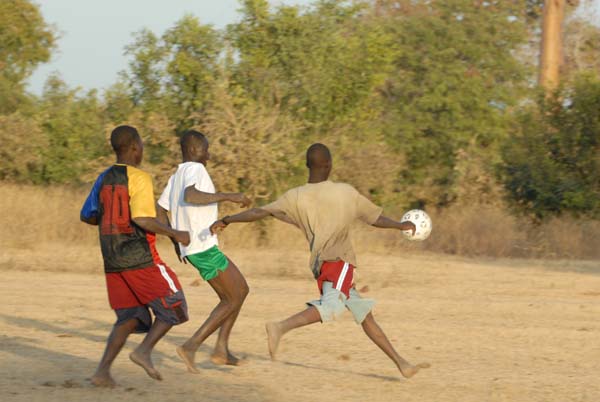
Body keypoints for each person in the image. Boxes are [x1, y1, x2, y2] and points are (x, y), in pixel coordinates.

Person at [210, 143, 430, 379]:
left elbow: (259, 213)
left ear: (307, 165)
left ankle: (401, 363)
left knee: (364, 314)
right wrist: (400, 225)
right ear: (329, 165)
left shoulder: (294, 196)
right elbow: (375, 218)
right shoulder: (345, 192)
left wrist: (228, 219)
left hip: (321, 265)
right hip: (340, 261)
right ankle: (280, 327)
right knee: (332, 307)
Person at [80, 125, 190, 387]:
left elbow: (88, 215)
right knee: (176, 306)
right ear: (134, 148)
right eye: (141, 144)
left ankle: (102, 373)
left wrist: (112, 221)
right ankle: (143, 351)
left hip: (113, 260)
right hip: (139, 258)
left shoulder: (103, 177)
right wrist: (175, 233)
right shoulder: (139, 177)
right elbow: (142, 218)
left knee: (129, 317)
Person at [156, 130, 251, 372]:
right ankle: (192, 346)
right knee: (235, 295)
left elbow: (160, 210)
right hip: (202, 246)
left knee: (237, 293)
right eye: (206, 150)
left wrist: (175, 240)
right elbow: (192, 195)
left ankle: (221, 349)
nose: (208, 155)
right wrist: (229, 196)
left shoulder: (176, 174)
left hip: (194, 246)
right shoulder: (194, 169)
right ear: (194, 150)